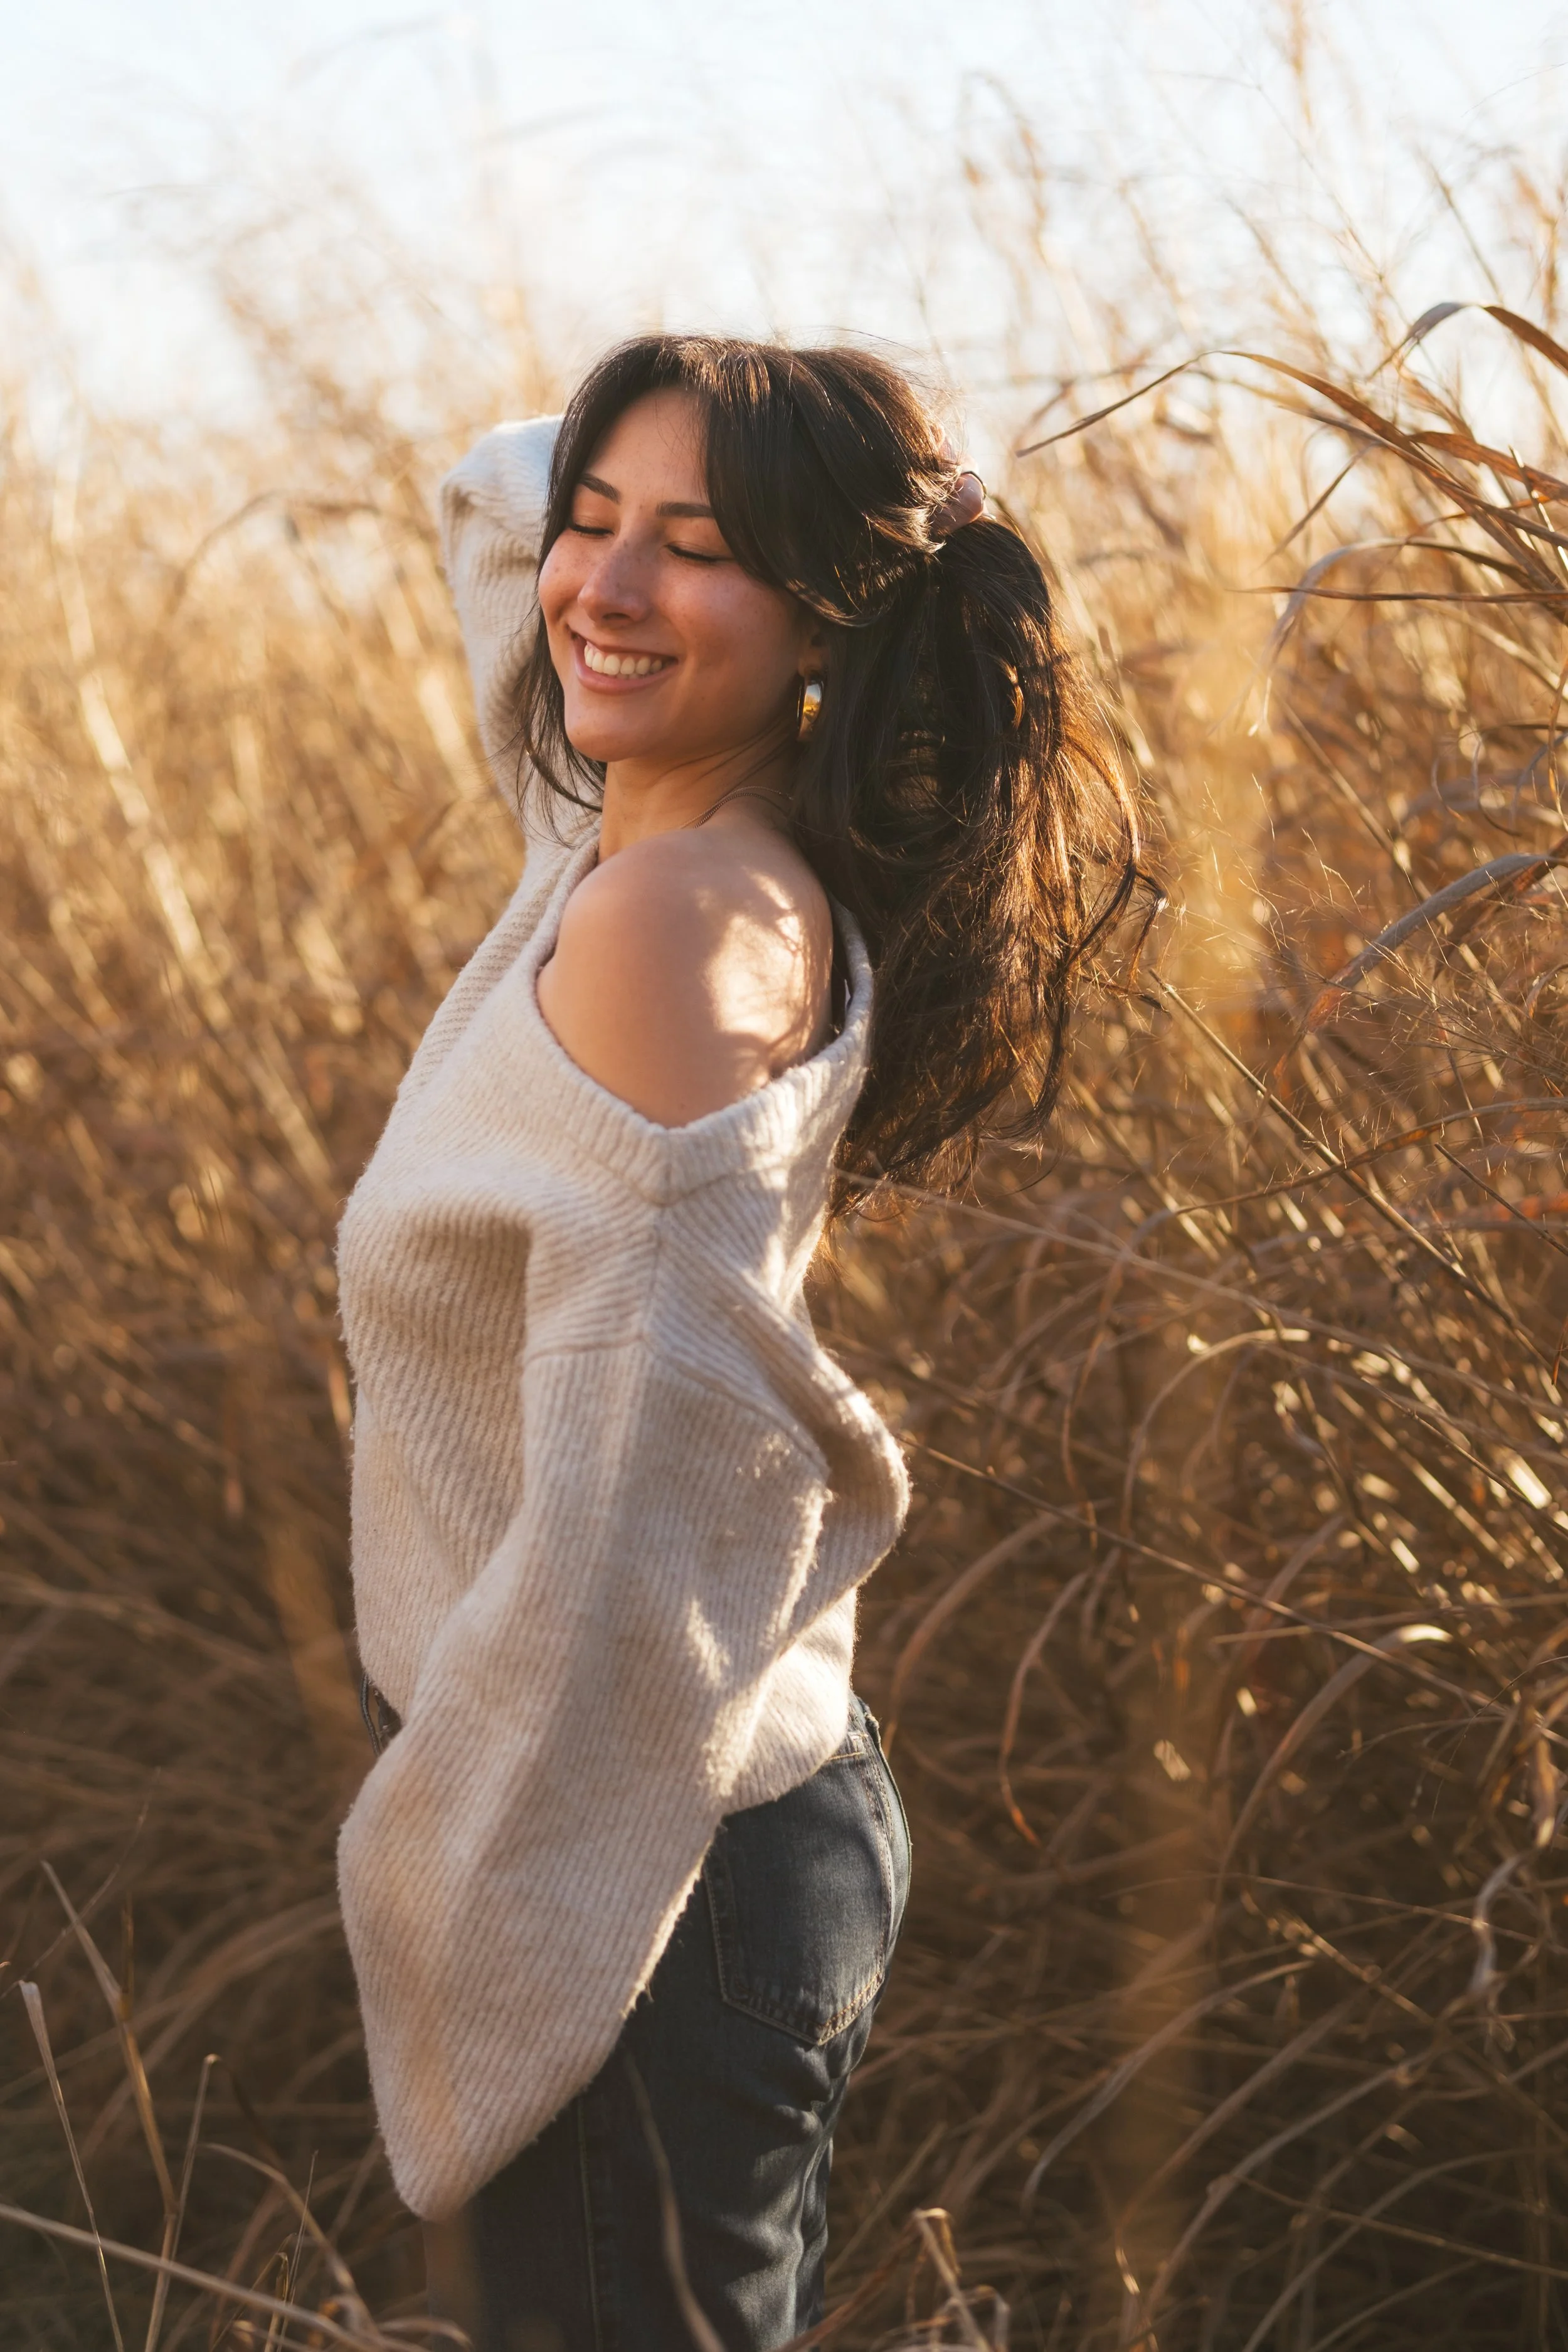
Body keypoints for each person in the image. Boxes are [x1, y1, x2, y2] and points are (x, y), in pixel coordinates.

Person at [334, 335, 1138, 2352]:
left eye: (691, 550)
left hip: (631, 1849)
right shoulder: (631, 847)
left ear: (820, 624)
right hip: (681, 1818)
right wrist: (700, 477)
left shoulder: (664, 923)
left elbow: (648, 1507)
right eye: (588, 527)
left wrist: (463, 1906)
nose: (596, 584)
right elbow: (496, 497)